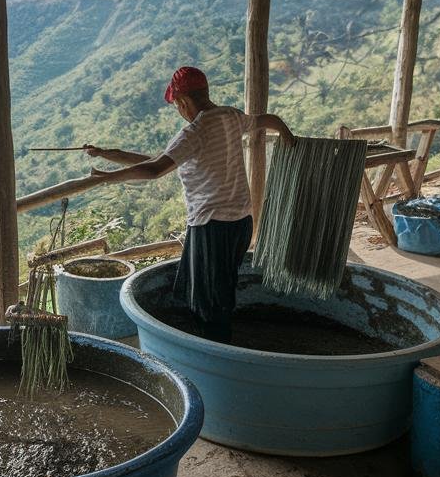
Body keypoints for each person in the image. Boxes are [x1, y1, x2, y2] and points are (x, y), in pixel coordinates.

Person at [86, 66, 294, 342]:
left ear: (183, 101)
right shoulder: (231, 117)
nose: (178, 110)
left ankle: (216, 353)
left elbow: (153, 170)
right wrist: (106, 155)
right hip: (241, 223)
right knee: (220, 289)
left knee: (209, 303)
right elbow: (269, 119)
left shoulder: (193, 133)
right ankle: (217, 340)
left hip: (212, 226)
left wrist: (108, 179)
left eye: (176, 105)